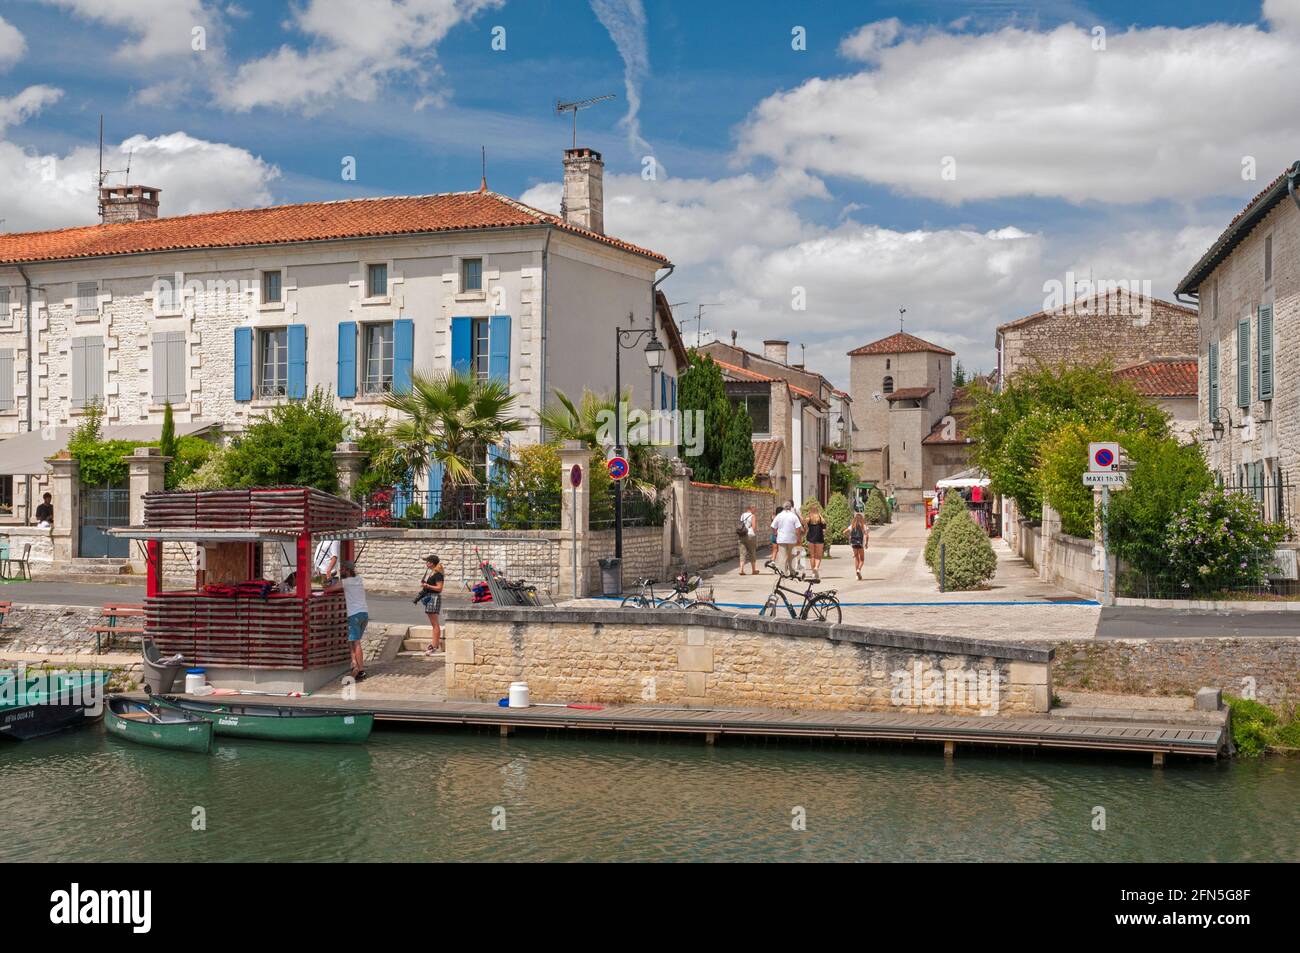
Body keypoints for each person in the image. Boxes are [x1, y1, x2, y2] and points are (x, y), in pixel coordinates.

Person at [335, 561, 369, 681]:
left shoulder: (345, 582)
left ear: (347, 570)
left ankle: (361, 671)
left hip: (354, 615)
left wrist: (328, 578)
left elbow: (329, 588)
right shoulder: (359, 579)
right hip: (364, 613)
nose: (341, 571)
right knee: (352, 640)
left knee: (356, 643)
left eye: (343, 569)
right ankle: (354, 663)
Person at [419, 553, 445, 656]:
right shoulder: (432, 573)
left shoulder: (438, 574)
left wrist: (427, 586)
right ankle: (435, 644)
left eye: (428, 562)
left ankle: (434, 645)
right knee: (433, 623)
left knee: (435, 624)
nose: (426, 563)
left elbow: (439, 588)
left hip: (434, 598)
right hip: (430, 598)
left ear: (432, 563)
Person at [771, 501, 803, 574]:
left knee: (782, 555)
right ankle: (791, 571)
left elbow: (773, 526)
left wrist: (775, 533)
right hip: (791, 539)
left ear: (783, 507)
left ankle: (783, 571)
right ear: (791, 507)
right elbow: (798, 528)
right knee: (790, 556)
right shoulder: (793, 516)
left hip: (781, 538)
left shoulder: (779, 515)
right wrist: (798, 538)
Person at [804, 504, 826, 577]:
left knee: (812, 556)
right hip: (819, 538)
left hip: (810, 538)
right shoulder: (821, 519)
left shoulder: (808, 519)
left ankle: (813, 572)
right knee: (819, 556)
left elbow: (806, 529)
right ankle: (816, 567)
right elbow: (824, 531)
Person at [738, 504, 758, 575]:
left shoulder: (742, 515)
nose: (755, 510)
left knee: (742, 553)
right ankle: (753, 570)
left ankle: (741, 570)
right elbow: (754, 526)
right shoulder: (753, 516)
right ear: (751, 508)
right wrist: (754, 533)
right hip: (750, 535)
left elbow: (741, 524)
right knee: (752, 552)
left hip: (742, 534)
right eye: (755, 508)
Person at [849, 512, 868, 581]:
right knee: (862, 559)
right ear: (862, 519)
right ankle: (858, 570)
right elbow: (867, 535)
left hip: (853, 544)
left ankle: (856, 575)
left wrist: (849, 537)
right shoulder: (863, 526)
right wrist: (866, 543)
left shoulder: (852, 525)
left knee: (856, 558)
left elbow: (844, 532)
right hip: (860, 544)